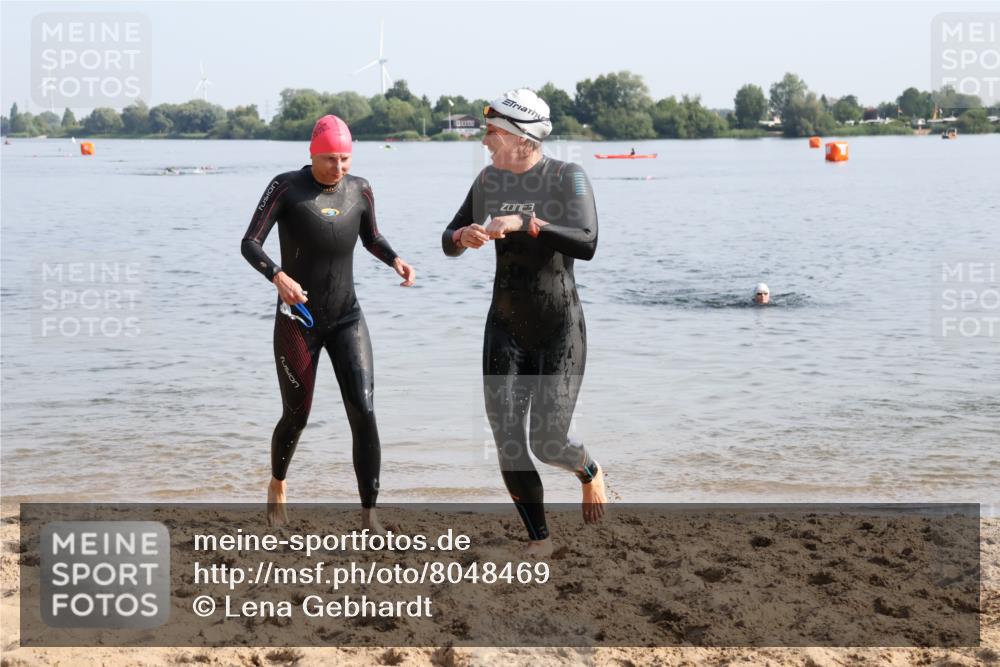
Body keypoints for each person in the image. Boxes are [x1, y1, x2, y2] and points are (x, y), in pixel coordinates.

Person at [441, 89, 606, 558]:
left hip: (559, 330)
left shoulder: (567, 177)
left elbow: (588, 241)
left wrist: (526, 222)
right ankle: (541, 540)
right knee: (508, 441)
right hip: (505, 329)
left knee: (549, 442)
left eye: (490, 132)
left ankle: (588, 470)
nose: (484, 141)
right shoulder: (488, 181)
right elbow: (447, 241)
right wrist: (461, 235)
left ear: (519, 136)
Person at [241, 114, 415, 529]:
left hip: (346, 317)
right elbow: (250, 243)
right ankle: (278, 483)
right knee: (297, 415)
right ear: (312, 153)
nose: (339, 168)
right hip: (297, 319)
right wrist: (277, 276)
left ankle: (369, 512)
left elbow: (371, 236)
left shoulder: (361, 189)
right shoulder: (287, 187)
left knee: (364, 409)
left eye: (345, 158)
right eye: (331, 159)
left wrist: (395, 259)